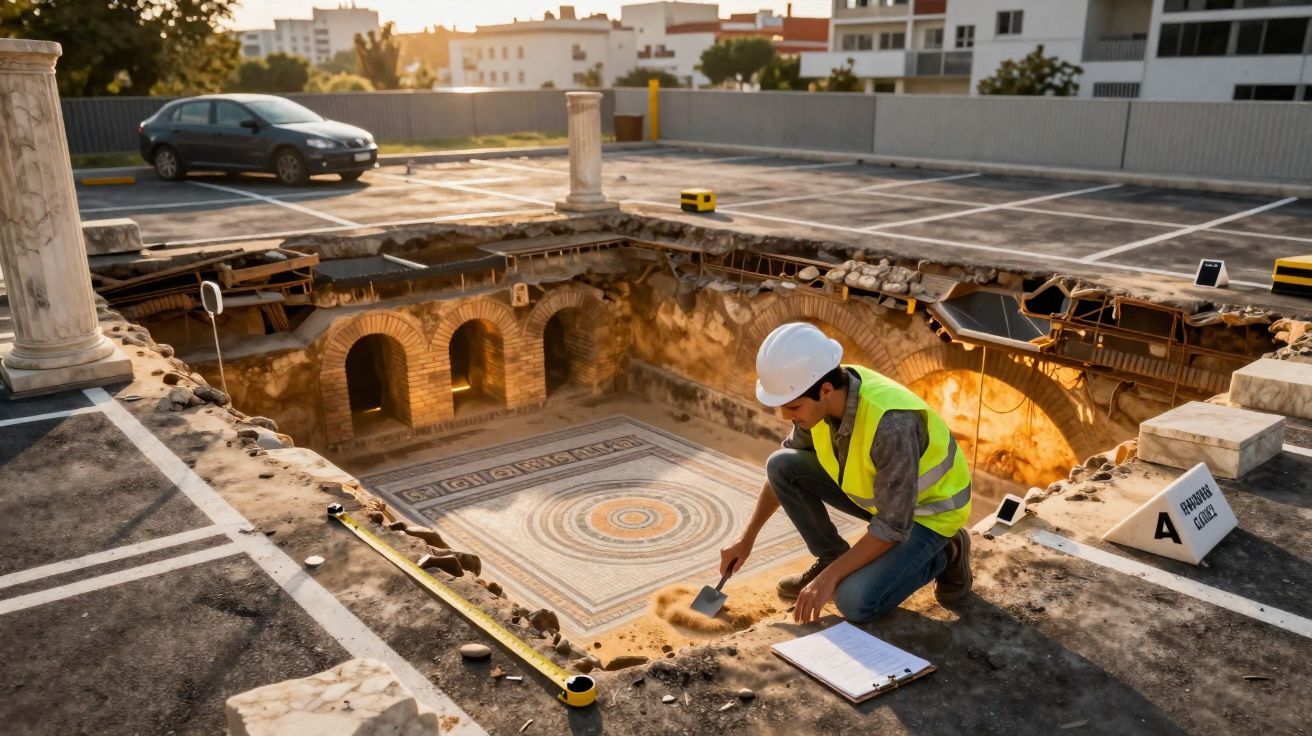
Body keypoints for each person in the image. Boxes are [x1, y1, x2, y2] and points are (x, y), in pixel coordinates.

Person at [718, 322, 973, 625]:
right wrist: (746, 540)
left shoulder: (891, 425)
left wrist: (829, 580)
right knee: (781, 464)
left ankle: (948, 552)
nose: (786, 416)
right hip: (885, 501)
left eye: (793, 407)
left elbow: (892, 526)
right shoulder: (823, 391)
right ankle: (831, 555)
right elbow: (780, 473)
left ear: (825, 390)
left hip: (928, 513)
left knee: (854, 602)